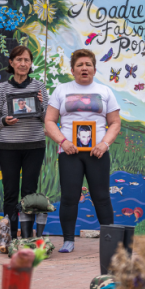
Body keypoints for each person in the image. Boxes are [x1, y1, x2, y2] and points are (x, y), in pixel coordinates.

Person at [45, 49, 121, 253]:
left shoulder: (105, 91)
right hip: (70, 153)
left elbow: (115, 123)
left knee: (102, 197)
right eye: (80, 65)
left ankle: (110, 241)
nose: (84, 68)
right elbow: (49, 121)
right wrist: (63, 141)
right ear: (72, 70)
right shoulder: (61, 90)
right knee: (69, 197)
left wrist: (104, 144)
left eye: (88, 64)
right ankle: (68, 240)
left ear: (95, 69)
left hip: (98, 153)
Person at [0, 46, 48, 238]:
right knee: (10, 192)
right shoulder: (3, 88)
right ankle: (11, 235)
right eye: (19, 60)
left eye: (27, 60)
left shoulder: (39, 87)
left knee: (29, 193)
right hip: (9, 147)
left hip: (34, 146)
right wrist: (4, 121)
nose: (23, 64)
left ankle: (27, 235)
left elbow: (47, 118)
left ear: (31, 64)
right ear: (11, 63)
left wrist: (41, 105)